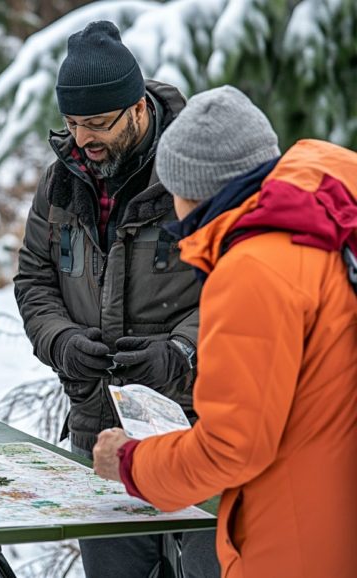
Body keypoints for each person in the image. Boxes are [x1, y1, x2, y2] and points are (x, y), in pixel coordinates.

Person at [93, 86, 357, 578]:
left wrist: (130, 461)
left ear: (190, 190)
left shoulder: (254, 269)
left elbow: (230, 449)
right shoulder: (328, 227)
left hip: (297, 544)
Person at [14, 20, 218, 578]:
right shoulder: (60, 182)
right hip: (99, 427)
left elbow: (240, 286)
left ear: (137, 108)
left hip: (199, 427)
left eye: (97, 123)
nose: (82, 139)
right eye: (72, 123)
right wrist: (60, 342)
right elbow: (33, 280)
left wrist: (182, 352)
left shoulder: (194, 170)